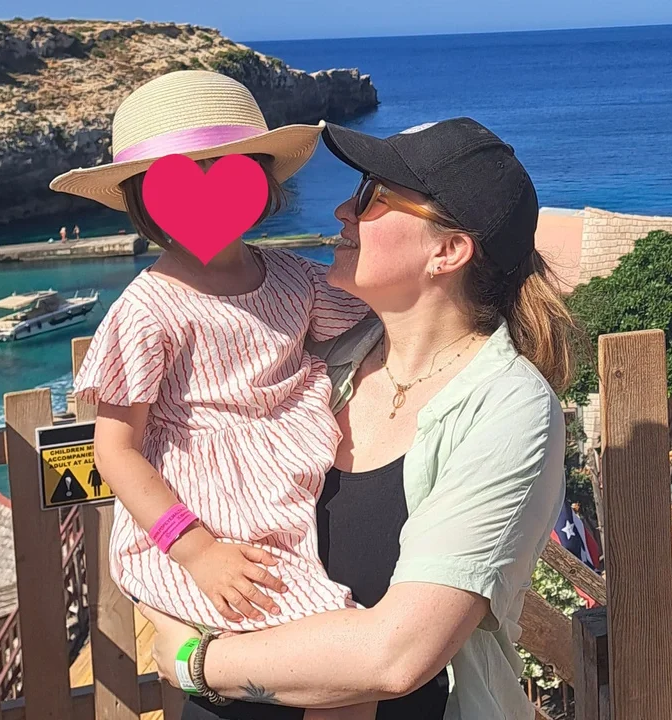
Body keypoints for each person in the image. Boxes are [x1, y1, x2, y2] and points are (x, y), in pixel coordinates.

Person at [140, 118, 579, 720]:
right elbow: (163, 472)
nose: (343, 209)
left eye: (373, 195)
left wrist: (196, 661)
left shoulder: (508, 410)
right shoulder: (314, 358)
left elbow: (396, 656)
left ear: (448, 251)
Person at [49, 70, 376, 720]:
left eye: (225, 174)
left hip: (281, 511)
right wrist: (197, 551)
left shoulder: (292, 278)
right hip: (202, 529)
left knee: (341, 673)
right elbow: (115, 450)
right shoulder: (149, 310)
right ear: (146, 200)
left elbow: (375, 322)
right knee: (341, 667)